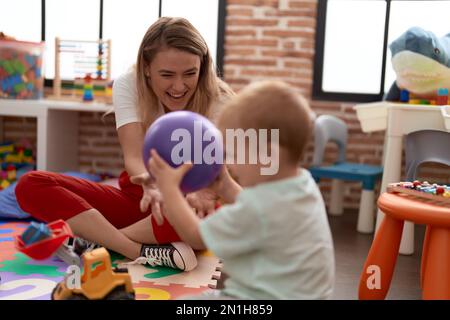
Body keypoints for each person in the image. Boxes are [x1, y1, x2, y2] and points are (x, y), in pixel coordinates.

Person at [15, 17, 234, 271]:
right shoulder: (128, 84)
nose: (178, 86)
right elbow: (133, 157)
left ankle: (98, 239)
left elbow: (226, 178)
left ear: (202, 66)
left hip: (187, 207)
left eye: (190, 74)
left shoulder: (221, 101)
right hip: (141, 196)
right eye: (167, 75)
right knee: (30, 185)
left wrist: (197, 194)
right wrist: (154, 187)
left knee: (194, 219)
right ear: (146, 68)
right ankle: (136, 250)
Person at [146, 80, 335, 299]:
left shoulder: (258, 208)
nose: (232, 165)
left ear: (267, 154)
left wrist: (170, 190)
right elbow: (266, 213)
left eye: (235, 154)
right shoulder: (303, 184)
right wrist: (225, 186)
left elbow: (196, 237)